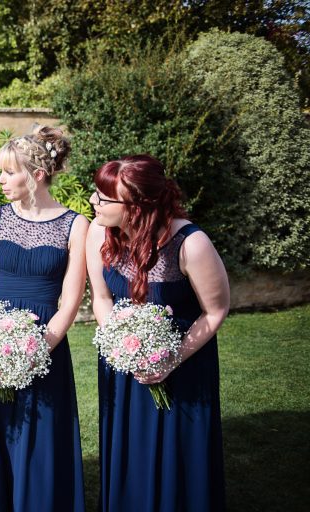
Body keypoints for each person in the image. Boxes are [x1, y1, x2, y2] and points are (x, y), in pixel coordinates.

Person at [86, 154, 228, 511]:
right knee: (129, 450)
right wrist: (122, 347)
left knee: (178, 457)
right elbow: (101, 299)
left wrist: (170, 359)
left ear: (135, 207)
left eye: (103, 197)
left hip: (183, 365)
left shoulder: (191, 243)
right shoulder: (98, 232)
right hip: (123, 365)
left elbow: (215, 310)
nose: (92, 201)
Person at [0, 126, 88, 511]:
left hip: (45, 345)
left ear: (36, 175)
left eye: (9, 172)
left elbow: (70, 299)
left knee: (42, 435)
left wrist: (38, 349)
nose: (0, 181)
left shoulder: (76, 225)